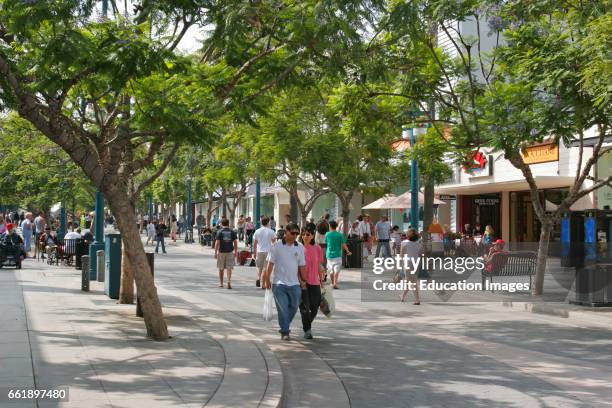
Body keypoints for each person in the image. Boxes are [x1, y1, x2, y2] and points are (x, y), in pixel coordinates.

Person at [262, 223, 307, 341]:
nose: (295, 236)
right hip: (279, 284)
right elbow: (270, 265)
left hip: (295, 284)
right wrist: (267, 280)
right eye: (292, 233)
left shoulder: (300, 247)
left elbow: (302, 265)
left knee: (294, 306)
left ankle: (284, 322)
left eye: (297, 234)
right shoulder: (276, 246)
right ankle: (285, 331)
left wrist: (304, 280)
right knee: (283, 308)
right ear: (286, 232)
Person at [298, 226, 324, 339]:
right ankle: (307, 330)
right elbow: (295, 267)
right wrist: (300, 281)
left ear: (312, 236)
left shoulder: (317, 248)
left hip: (315, 282)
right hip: (302, 282)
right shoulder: (298, 248)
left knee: (315, 306)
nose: (305, 236)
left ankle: (307, 324)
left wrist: (322, 281)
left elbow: (318, 265)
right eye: (303, 234)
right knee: (305, 308)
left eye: (308, 234)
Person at [325, 220, 352, 289]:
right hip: (337, 255)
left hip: (329, 255)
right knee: (336, 270)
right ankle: (335, 283)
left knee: (331, 270)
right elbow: (343, 244)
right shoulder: (340, 235)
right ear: (336, 227)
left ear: (330, 226)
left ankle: (332, 282)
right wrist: (348, 251)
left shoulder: (327, 234)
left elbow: (326, 243)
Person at [253, 216, 276, 288]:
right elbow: (274, 242)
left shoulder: (257, 231)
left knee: (258, 266)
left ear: (261, 222)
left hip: (259, 251)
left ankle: (258, 277)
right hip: (268, 251)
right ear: (268, 222)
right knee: (265, 268)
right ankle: (263, 284)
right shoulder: (271, 231)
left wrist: (254, 252)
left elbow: (255, 243)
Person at [400, 229, 422, 305]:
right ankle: (403, 297)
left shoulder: (404, 243)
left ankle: (417, 300)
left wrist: (399, 265)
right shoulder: (418, 244)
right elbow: (420, 254)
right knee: (409, 280)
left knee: (411, 281)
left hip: (408, 263)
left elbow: (401, 255)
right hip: (416, 263)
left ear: (408, 235)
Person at [214, 218, 238, 289]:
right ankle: (228, 281)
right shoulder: (232, 231)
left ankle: (221, 283)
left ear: (221, 224)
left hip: (221, 252)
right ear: (228, 223)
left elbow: (217, 243)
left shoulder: (219, 231)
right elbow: (235, 242)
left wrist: (215, 252)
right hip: (230, 252)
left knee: (221, 268)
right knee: (229, 268)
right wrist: (236, 252)